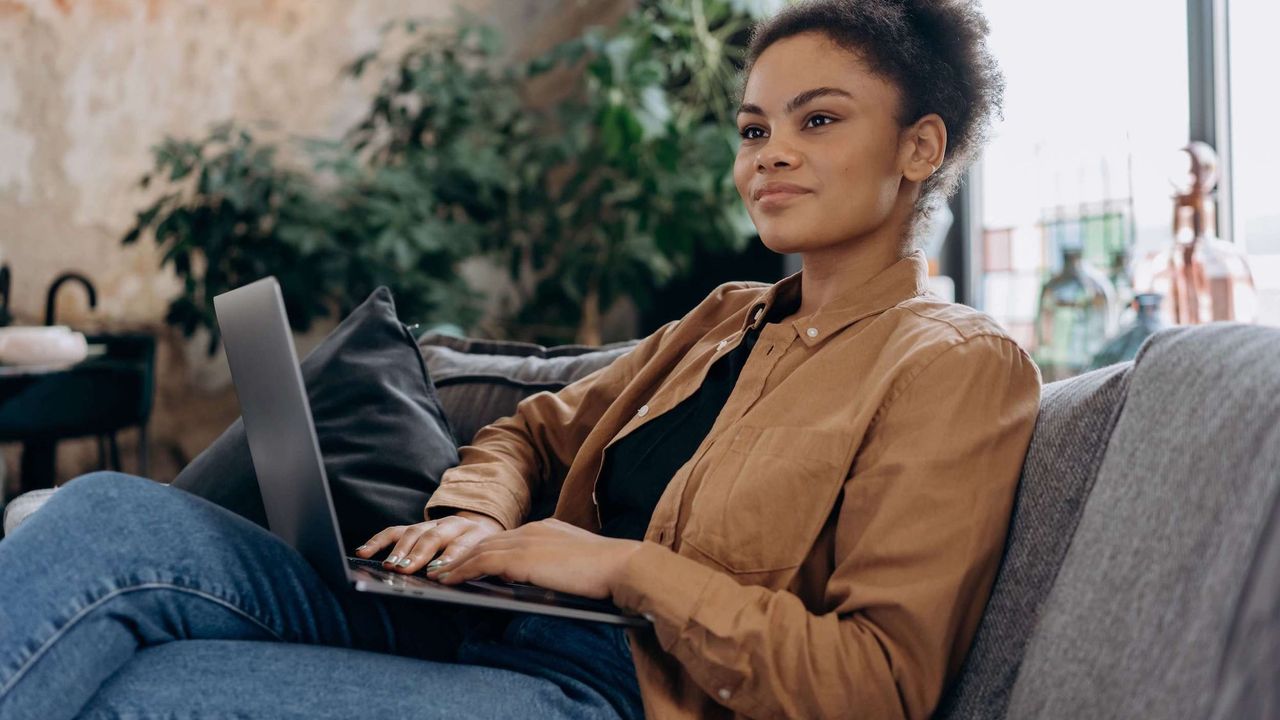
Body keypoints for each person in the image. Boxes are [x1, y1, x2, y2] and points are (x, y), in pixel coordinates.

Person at [0, 1, 1039, 718]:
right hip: (483, 629)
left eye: (817, 121)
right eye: (753, 125)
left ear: (918, 149)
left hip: (612, 694)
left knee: (134, 690)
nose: (766, 153)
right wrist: (473, 515)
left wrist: (622, 565)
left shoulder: (951, 368)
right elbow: (530, 430)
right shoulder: (724, 320)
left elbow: (877, 687)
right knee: (102, 513)